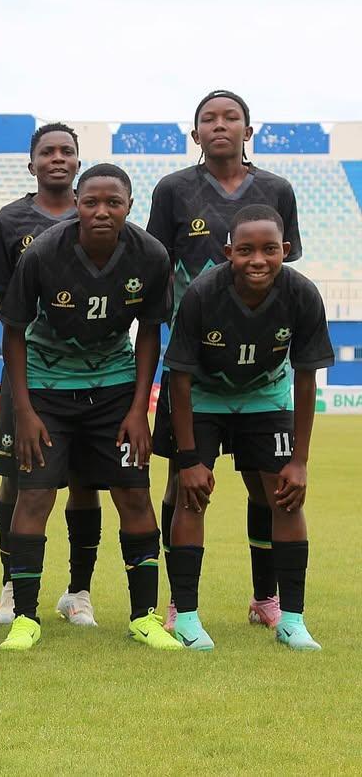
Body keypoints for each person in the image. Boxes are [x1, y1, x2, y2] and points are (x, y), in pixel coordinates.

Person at [0, 163, 180, 651]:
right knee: (35, 496)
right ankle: (25, 619)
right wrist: (25, 411)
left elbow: (149, 333)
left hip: (114, 388)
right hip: (47, 388)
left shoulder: (151, 255)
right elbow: (13, 333)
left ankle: (143, 618)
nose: (102, 211)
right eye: (91, 202)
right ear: (76, 203)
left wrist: (138, 409)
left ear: (129, 206)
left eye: (113, 203)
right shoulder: (43, 253)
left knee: (134, 496)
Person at [147, 90, 303, 631]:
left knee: (267, 485)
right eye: (209, 119)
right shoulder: (173, 189)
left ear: (248, 130)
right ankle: (179, 603)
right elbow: (157, 269)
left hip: (262, 371)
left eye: (231, 117)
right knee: (183, 480)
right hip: (195, 368)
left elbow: (282, 273)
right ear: (195, 134)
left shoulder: (277, 190)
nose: (220, 125)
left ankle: (266, 598)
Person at [164, 204, 331, 651]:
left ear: (285, 250)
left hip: (265, 396)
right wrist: (189, 460)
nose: (258, 260)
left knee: (285, 497)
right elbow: (178, 377)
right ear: (228, 252)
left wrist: (300, 461)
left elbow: (306, 376)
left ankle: (291, 620)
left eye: (269, 249)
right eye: (246, 250)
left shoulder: (302, 294)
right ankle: (186, 616)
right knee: (191, 496)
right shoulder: (202, 293)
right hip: (204, 396)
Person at [0, 122, 103, 628]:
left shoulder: (97, 212)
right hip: (29, 370)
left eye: (66, 151)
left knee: (84, 480)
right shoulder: (10, 220)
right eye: (47, 151)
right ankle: (13, 583)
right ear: (31, 163)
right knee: (18, 477)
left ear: (78, 162)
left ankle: (79, 591)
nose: (57, 158)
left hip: (91, 375)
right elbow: (3, 301)